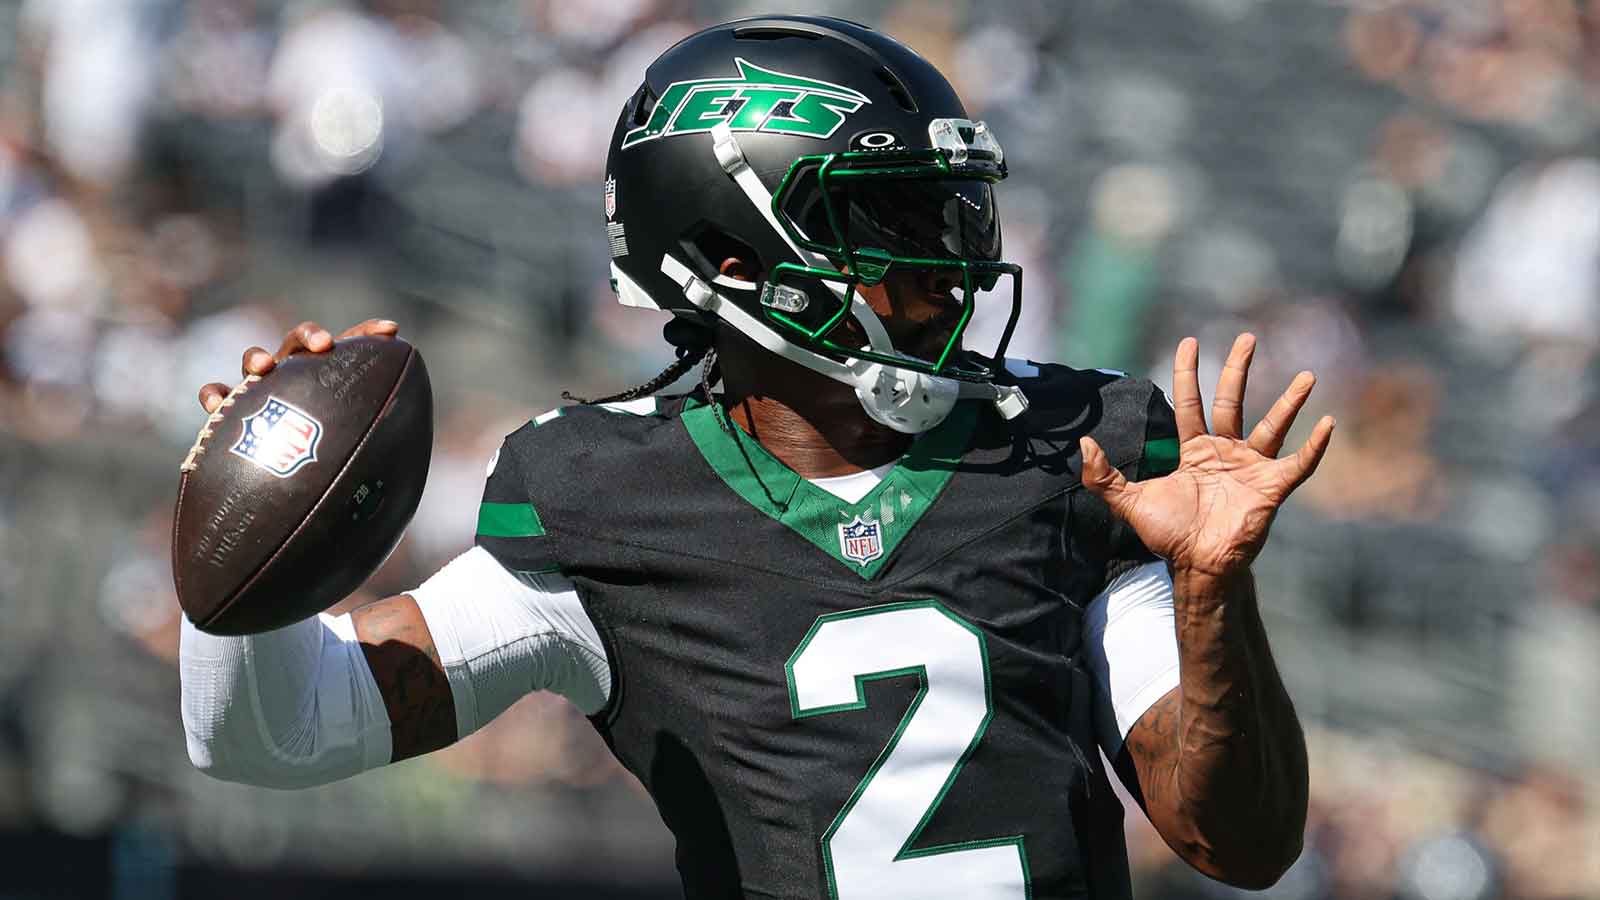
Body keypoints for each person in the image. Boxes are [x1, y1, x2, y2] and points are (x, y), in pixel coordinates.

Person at [179, 16, 1334, 899]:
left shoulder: (1073, 453)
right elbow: (277, 733)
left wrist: (1208, 596)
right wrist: (239, 526)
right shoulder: (600, 497)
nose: (950, 272)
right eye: (889, 228)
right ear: (732, 263)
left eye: (953, 219)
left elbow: (1236, 841)